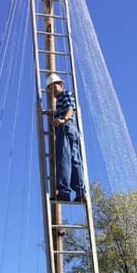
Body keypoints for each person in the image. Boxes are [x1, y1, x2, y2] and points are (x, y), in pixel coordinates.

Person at [46, 73, 86, 202]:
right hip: (70, 129)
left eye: (54, 87)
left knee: (63, 159)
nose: (52, 90)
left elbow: (70, 108)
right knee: (75, 160)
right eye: (50, 88)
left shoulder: (66, 94)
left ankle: (63, 192)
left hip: (65, 127)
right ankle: (80, 193)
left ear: (61, 85)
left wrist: (63, 119)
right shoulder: (60, 100)